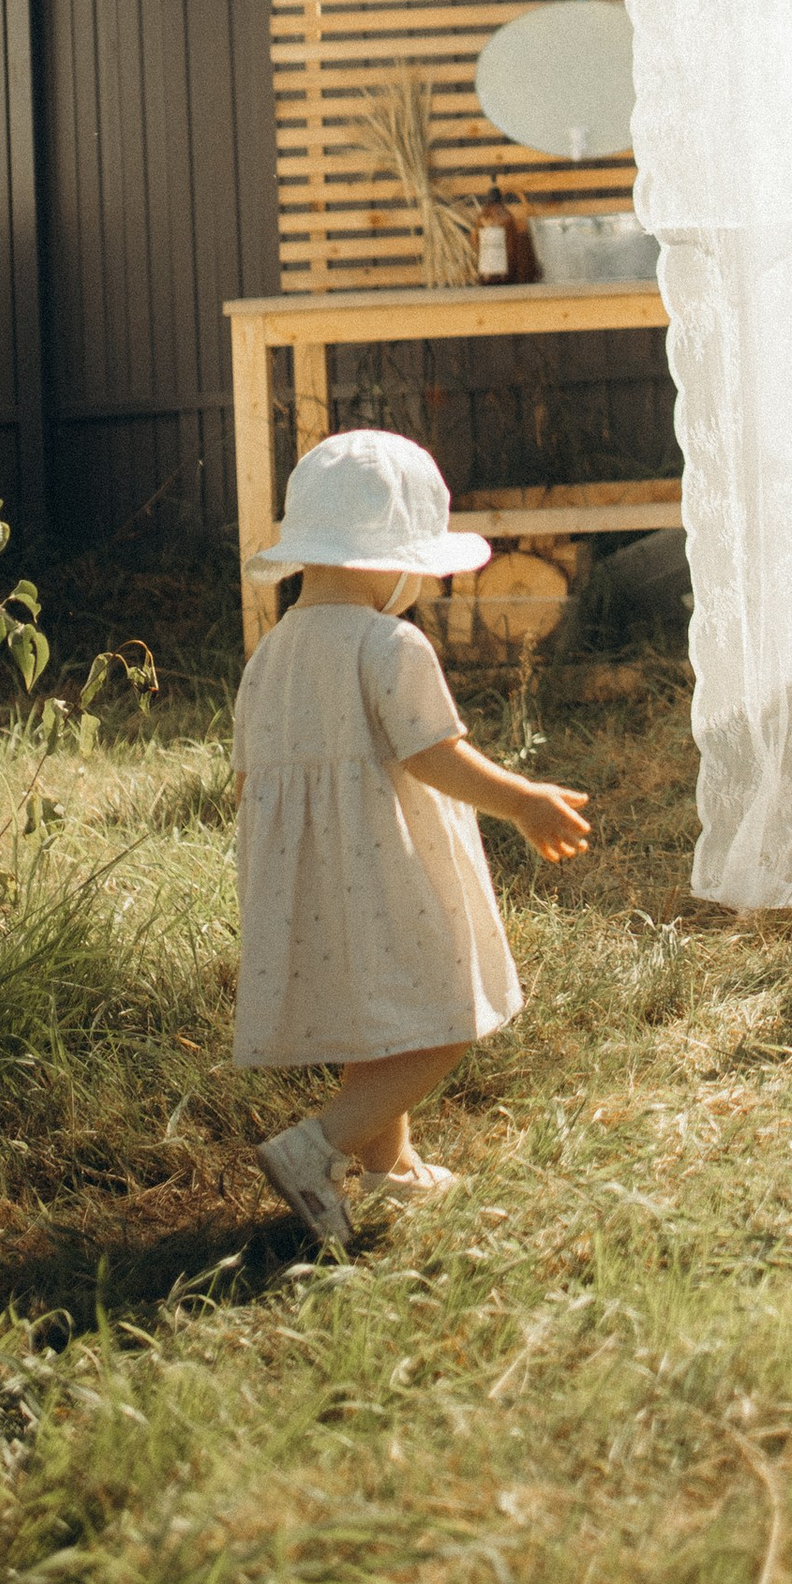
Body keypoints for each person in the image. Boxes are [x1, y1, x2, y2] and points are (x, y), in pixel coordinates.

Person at [234, 427, 591, 1244]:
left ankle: (389, 1168)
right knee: (444, 1015)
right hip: (385, 868)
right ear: (388, 562)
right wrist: (523, 801)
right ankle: (315, 1147)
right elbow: (435, 754)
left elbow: (250, 781)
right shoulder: (387, 643)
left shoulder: (270, 654)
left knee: (377, 1019)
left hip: (307, 883)